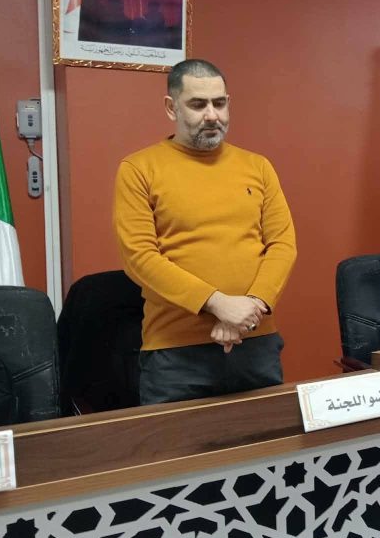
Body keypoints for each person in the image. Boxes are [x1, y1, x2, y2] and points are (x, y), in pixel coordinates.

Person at [113, 59, 297, 404]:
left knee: (265, 437)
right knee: (177, 441)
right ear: (172, 108)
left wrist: (250, 307)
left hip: (255, 342)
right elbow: (139, 258)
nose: (212, 115)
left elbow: (282, 245)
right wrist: (218, 304)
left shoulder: (257, 166)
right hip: (175, 354)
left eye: (219, 103)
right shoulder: (138, 169)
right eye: (198, 104)